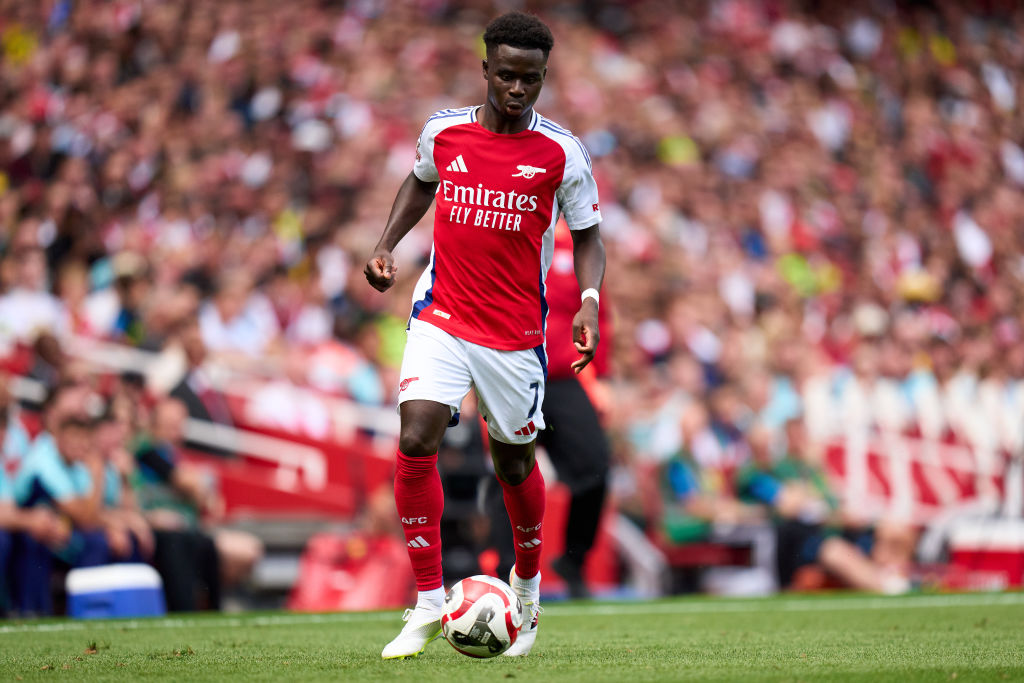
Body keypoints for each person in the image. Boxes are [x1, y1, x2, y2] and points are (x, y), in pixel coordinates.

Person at [364, 11, 605, 659]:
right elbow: (419, 182)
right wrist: (386, 245)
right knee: (417, 433)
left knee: (515, 463)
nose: (517, 89)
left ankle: (525, 592)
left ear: (543, 77)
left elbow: (588, 235)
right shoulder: (444, 132)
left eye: (530, 78)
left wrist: (587, 301)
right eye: (506, 75)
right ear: (486, 71)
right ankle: (428, 598)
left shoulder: (562, 153)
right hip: (442, 313)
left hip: (514, 335)